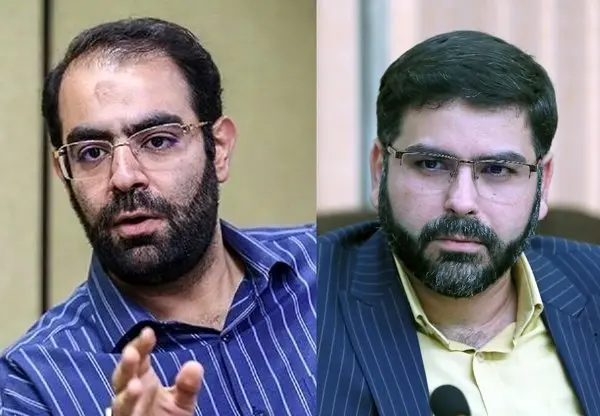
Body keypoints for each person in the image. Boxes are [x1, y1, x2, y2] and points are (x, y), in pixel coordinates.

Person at [0, 17, 316, 416]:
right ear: (64, 173)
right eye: (92, 152)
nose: (124, 177)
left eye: (158, 141)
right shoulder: (30, 386)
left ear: (218, 149)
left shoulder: (330, 269)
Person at [318, 30, 600, 416]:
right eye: (431, 164)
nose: (462, 202)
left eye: (498, 169)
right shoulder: (307, 299)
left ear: (543, 183)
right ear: (379, 170)